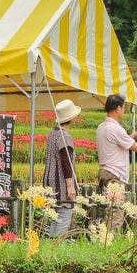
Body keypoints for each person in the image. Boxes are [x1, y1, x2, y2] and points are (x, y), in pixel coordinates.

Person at [95, 94, 137, 232]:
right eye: (123, 108)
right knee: (116, 213)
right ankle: (111, 240)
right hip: (114, 175)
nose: (124, 111)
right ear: (118, 108)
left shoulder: (102, 127)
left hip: (105, 173)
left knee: (110, 210)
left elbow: (118, 142)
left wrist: (135, 134)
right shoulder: (116, 128)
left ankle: (106, 238)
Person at [41, 98, 81, 238]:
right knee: (64, 214)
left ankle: (50, 245)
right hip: (61, 183)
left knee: (55, 216)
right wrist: (70, 186)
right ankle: (57, 245)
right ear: (72, 118)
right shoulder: (65, 137)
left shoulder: (53, 133)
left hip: (49, 181)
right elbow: (66, 162)